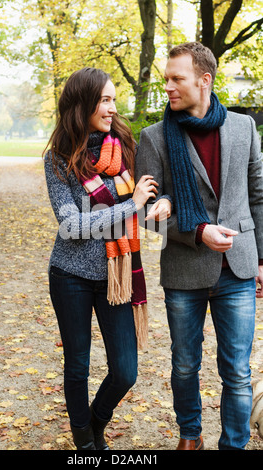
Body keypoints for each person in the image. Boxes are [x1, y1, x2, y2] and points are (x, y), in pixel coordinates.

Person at [135, 42, 263, 450]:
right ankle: (190, 434)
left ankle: (234, 444)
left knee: (237, 372)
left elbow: (258, 195)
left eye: (177, 79)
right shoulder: (154, 137)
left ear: (204, 80)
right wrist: (197, 231)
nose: (168, 86)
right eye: (166, 78)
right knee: (185, 365)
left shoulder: (244, 128)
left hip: (238, 268)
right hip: (185, 268)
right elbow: (146, 212)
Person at [43, 67, 171, 450]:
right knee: (78, 365)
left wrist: (159, 203)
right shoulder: (59, 159)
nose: (113, 108)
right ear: (82, 104)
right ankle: (84, 442)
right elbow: (72, 225)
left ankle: (96, 421)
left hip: (119, 274)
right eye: (104, 99)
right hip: (70, 274)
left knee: (125, 372)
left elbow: (158, 193)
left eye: (114, 99)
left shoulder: (129, 149)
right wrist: (129, 205)